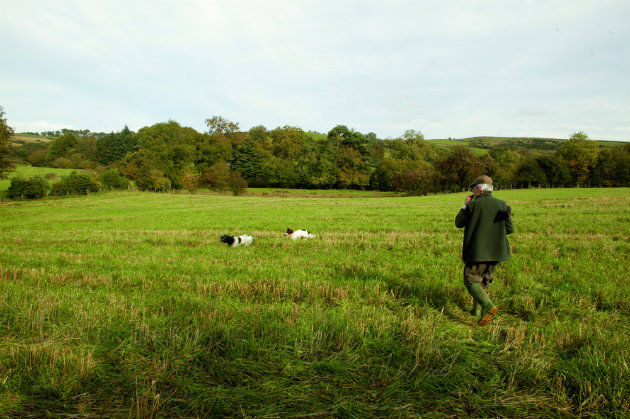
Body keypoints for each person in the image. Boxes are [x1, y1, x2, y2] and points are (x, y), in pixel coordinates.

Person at [455, 175, 513, 326]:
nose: (472, 191)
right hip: (497, 252)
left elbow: (458, 222)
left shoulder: (473, 205)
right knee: (481, 281)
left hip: (477, 252)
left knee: (470, 280)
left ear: (479, 189)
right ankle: (476, 312)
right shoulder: (502, 204)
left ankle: (487, 305)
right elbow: (509, 229)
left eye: (473, 189)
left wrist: (465, 205)